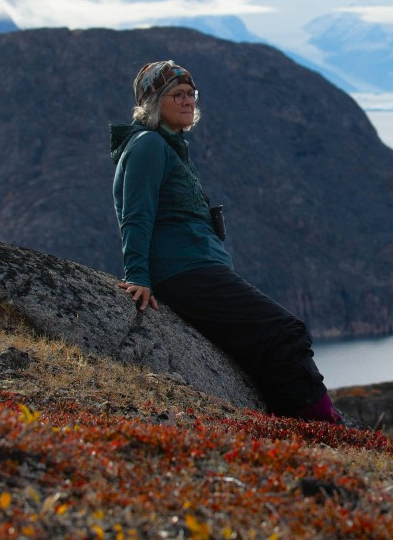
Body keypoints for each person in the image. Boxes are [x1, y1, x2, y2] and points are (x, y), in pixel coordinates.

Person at [109, 60, 342, 424]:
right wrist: (137, 274)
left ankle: (300, 426)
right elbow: (136, 214)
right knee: (283, 332)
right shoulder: (148, 145)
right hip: (184, 271)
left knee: (262, 347)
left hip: (199, 268)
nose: (188, 101)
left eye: (191, 94)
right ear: (153, 103)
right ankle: (327, 428)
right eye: (177, 95)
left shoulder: (171, 147)